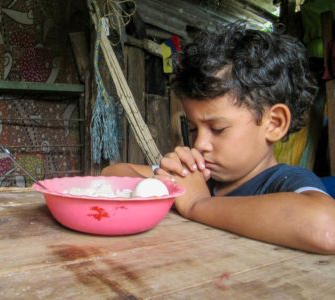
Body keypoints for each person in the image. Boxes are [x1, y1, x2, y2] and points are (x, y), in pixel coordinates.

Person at [102, 23, 335, 254]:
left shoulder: (286, 182)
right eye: (193, 129)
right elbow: (112, 173)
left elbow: (327, 228)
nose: (199, 144)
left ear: (274, 123)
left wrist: (198, 204)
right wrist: (161, 185)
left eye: (218, 129)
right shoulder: (199, 176)